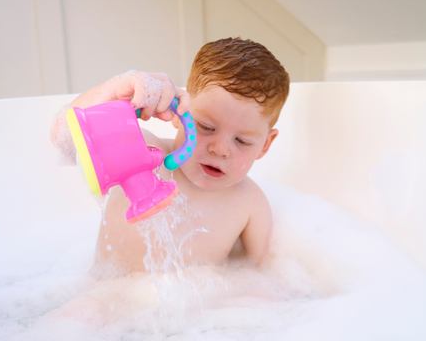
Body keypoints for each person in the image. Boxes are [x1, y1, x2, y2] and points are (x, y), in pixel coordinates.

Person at [50, 37, 290, 276]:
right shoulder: (141, 151)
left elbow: (263, 275)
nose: (220, 149)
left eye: (242, 141)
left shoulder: (250, 204)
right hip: (108, 298)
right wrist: (115, 90)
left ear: (265, 146)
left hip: (202, 311)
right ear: (178, 112)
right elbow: (63, 141)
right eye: (206, 127)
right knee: (83, 312)